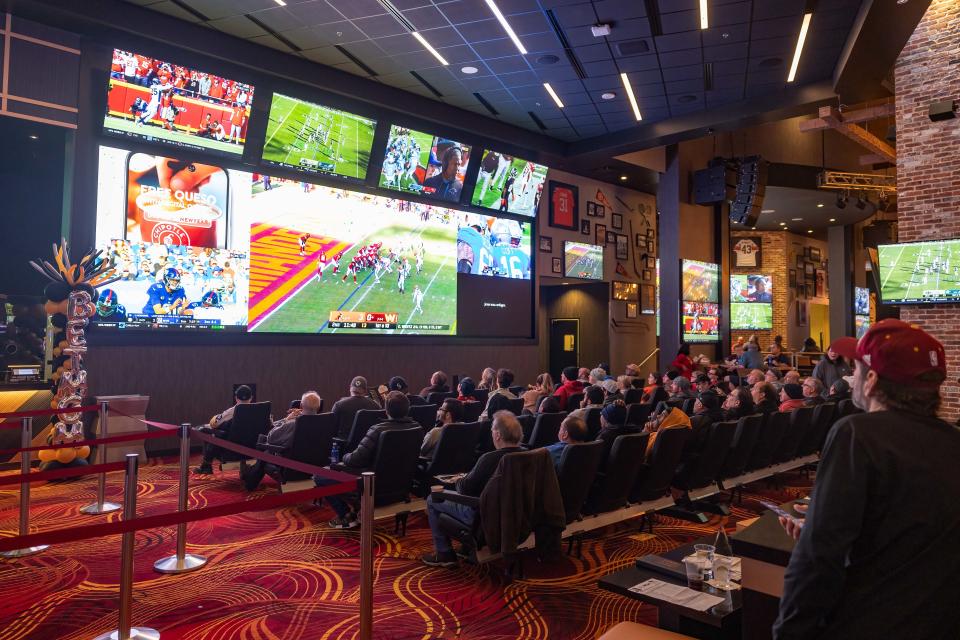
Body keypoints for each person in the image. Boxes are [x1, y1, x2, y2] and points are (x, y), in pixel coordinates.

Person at [773, 322, 960, 639]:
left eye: (855, 368)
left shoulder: (857, 434)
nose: (850, 377)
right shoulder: (952, 442)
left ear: (872, 381)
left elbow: (818, 558)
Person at [421, 411, 525, 567]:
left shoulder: (489, 459)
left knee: (433, 498)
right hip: (516, 516)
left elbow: (465, 489)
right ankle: (466, 548)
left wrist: (460, 480)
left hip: (483, 515)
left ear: (497, 435)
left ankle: (444, 553)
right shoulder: (529, 456)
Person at [319, 391, 419, 528]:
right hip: (401, 489)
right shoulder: (417, 428)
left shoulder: (378, 430)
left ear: (386, 410)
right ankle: (356, 511)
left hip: (371, 489)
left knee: (320, 475)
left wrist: (343, 458)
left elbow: (355, 460)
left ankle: (346, 515)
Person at [242, 391, 322, 489]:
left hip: (290, 467)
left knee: (265, 449)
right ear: (318, 407)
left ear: (301, 405)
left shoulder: (293, 424)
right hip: (313, 466)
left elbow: (271, 437)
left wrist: (287, 419)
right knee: (264, 451)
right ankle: (250, 476)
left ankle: (250, 479)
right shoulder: (323, 422)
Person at [195, 385, 253, 474]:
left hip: (231, 449)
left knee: (204, 430)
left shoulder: (233, 410)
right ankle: (206, 465)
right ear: (251, 398)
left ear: (236, 398)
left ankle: (206, 465)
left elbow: (214, 424)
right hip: (252, 448)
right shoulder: (260, 410)